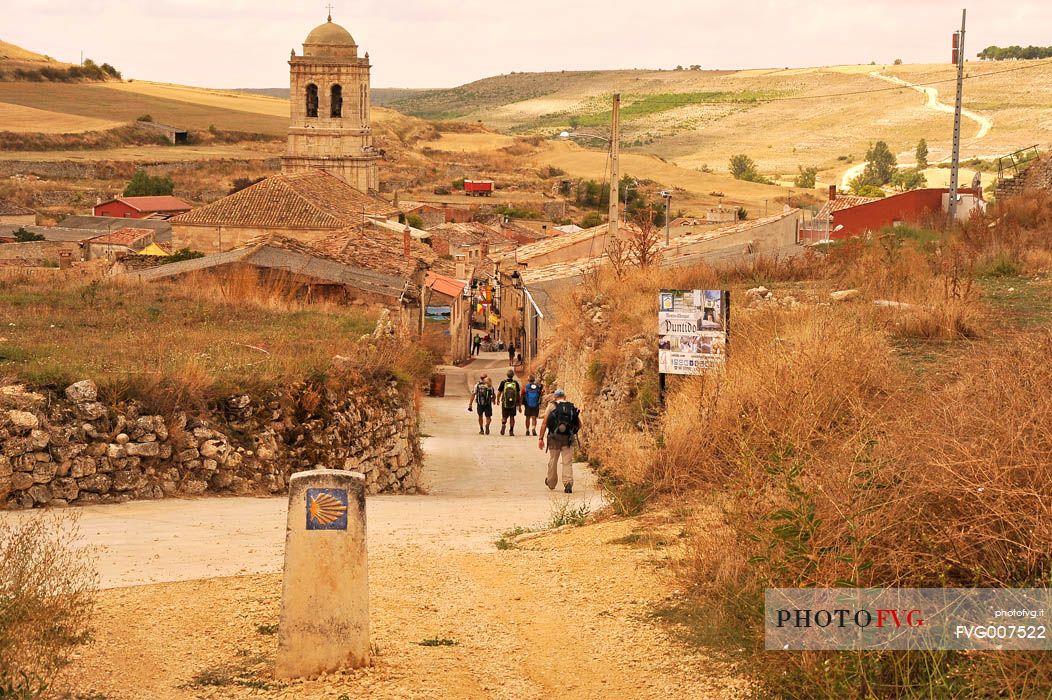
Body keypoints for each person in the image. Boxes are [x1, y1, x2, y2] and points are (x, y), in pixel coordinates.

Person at [538, 389, 581, 493]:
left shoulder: (552, 406)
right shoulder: (572, 406)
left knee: (553, 460)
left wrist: (540, 438)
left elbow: (544, 423)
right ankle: (568, 484)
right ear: (564, 397)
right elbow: (579, 424)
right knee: (567, 461)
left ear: (555, 397)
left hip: (554, 437)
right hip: (568, 438)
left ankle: (551, 483)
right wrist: (572, 432)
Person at [496, 369, 521, 436]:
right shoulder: (515, 383)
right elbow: (518, 394)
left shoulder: (503, 382)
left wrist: (497, 400)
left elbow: (499, 393)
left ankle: (503, 424)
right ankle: (511, 430)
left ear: (507, 375)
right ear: (513, 375)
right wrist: (519, 404)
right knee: (512, 417)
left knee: (504, 416)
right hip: (513, 403)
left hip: (505, 402)